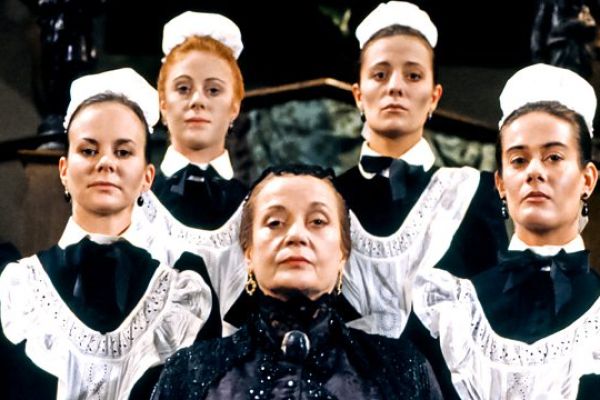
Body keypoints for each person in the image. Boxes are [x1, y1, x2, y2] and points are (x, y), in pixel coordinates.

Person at [0, 68, 215, 400]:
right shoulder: (17, 289)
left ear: (147, 177)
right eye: (88, 150)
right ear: (64, 170)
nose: (105, 163)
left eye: (123, 152)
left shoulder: (182, 298)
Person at [151, 164, 443, 400]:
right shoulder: (190, 372)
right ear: (248, 253)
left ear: (343, 254)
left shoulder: (402, 370)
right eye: (275, 222)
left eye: (317, 221)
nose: (296, 235)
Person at [413, 63, 600, 399]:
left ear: (587, 179)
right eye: (518, 160)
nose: (534, 172)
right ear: (500, 184)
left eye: (554, 157)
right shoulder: (450, 313)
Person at [335, 1, 507, 279]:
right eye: (380, 75)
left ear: (434, 97)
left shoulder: (472, 193)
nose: (395, 87)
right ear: (358, 95)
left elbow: (493, 295)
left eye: (413, 76)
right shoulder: (329, 197)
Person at [152, 11, 248, 230]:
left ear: (234, 106)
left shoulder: (256, 205)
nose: (197, 100)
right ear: (163, 103)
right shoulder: (135, 199)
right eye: (183, 88)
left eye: (213, 90)